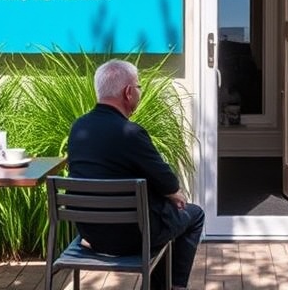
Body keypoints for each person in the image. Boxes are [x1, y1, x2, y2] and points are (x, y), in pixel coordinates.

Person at [67, 59, 204, 290]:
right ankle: (170, 287)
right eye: (139, 87)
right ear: (128, 92)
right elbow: (168, 182)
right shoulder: (130, 133)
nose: (140, 91)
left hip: (91, 233)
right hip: (135, 237)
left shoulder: (78, 127)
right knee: (195, 215)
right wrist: (174, 194)